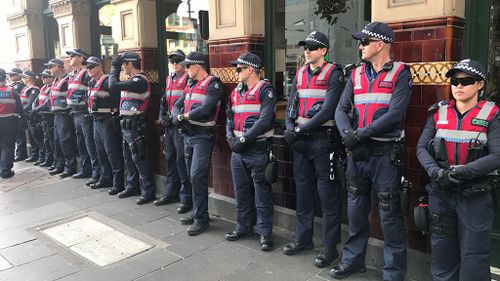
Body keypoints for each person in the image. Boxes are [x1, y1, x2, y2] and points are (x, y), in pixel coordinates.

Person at [333, 22, 412, 281]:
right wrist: (349, 136)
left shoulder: (401, 72)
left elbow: (395, 115)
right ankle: (353, 261)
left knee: (390, 217)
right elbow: (340, 110)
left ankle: (393, 274)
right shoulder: (355, 74)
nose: (360, 46)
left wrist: (358, 135)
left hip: (385, 155)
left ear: (380, 44)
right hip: (357, 154)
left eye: (365, 42)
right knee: (355, 212)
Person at [416, 59, 500, 281]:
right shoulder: (439, 112)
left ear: (480, 84)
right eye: (455, 81)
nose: (459, 86)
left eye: (466, 81)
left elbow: (497, 155)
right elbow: (421, 147)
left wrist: (461, 172)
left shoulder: (492, 115)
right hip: (441, 194)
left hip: (475, 197)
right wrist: (436, 173)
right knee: (442, 258)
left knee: (474, 261)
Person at [283, 31, 344, 268]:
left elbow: (328, 110)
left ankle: (329, 247)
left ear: (324, 51)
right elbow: (291, 105)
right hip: (301, 141)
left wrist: (299, 130)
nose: (307, 51)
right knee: (304, 190)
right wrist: (290, 128)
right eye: (305, 47)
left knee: (328, 195)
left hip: (322, 140)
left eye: (312, 47)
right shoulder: (300, 73)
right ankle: (303, 239)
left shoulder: (334, 72)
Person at [225, 52, 277, 251]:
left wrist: (245, 139)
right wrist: (231, 138)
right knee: (241, 191)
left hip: (256, 149)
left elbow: (264, 120)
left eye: (239, 69)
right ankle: (243, 227)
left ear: (250, 69)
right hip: (238, 151)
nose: (236, 72)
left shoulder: (266, 90)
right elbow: (229, 117)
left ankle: (265, 233)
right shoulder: (236, 91)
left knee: (261, 193)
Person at [171, 51, 224, 235]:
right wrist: (175, 115)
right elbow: (177, 104)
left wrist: (183, 116)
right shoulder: (190, 83)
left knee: (197, 175)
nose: (186, 69)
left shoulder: (213, 84)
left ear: (197, 66)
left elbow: (206, 109)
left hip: (203, 137)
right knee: (192, 175)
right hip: (188, 135)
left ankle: (201, 219)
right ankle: (198, 214)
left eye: (188, 66)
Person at [108, 52, 156, 205]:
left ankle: (147, 191)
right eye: (120, 65)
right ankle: (132, 186)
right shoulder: (130, 80)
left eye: (123, 64)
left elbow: (112, 85)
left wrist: (113, 68)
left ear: (130, 64)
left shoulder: (139, 80)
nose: (122, 67)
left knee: (139, 158)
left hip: (135, 127)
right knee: (128, 158)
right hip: (127, 125)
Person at [154, 49, 193, 214]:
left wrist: (173, 117)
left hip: (179, 125)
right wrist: (162, 116)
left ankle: (186, 198)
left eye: (177, 61)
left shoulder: (188, 79)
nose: (174, 64)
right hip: (169, 125)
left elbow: (186, 101)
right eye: (172, 61)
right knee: (170, 159)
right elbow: (164, 100)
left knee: (180, 161)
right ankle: (171, 193)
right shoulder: (170, 78)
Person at [84, 56, 124, 194]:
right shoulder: (91, 83)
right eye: (87, 67)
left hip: (107, 121)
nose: (88, 70)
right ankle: (105, 178)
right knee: (100, 151)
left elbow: (118, 100)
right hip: (96, 121)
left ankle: (118, 183)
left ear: (99, 67)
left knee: (112, 152)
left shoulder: (107, 81)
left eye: (90, 67)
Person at [66, 48, 100, 185]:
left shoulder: (86, 74)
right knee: (82, 143)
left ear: (81, 58)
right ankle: (86, 170)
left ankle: (96, 172)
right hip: (75, 113)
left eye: (73, 56)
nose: (70, 58)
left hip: (84, 113)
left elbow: (92, 91)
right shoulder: (73, 74)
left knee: (89, 143)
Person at [44, 58, 78, 177]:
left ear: (58, 67)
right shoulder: (56, 81)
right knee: (57, 141)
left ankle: (70, 167)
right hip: (56, 115)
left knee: (65, 141)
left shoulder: (67, 80)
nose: (49, 70)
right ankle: (60, 165)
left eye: (51, 67)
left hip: (64, 115)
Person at [0, 68, 24, 178]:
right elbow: (20, 109)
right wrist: (23, 123)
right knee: (8, 146)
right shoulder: (11, 91)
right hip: (9, 122)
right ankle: (6, 171)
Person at [32, 69, 56, 168]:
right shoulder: (43, 88)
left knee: (52, 140)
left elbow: (48, 103)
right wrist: (34, 108)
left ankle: (54, 161)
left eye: (45, 77)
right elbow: (36, 100)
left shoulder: (53, 88)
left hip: (50, 117)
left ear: (51, 78)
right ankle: (48, 159)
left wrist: (36, 109)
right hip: (43, 117)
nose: (43, 78)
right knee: (46, 140)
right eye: (42, 77)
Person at [20, 70, 43, 164]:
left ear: (29, 78)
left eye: (24, 77)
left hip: (33, 116)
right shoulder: (26, 88)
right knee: (31, 136)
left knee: (36, 137)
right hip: (27, 116)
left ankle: (40, 156)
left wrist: (20, 112)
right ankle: (34, 155)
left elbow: (29, 104)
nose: (23, 79)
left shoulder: (34, 90)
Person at [8, 67, 27, 161]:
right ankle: (19, 152)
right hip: (15, 113)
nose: (10, 77)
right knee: (17, 134)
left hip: (18, 113)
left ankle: (21, 153)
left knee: (19, 134)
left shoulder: (18, 86)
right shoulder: (13, 86)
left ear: (18, 76)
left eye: (12, 75)